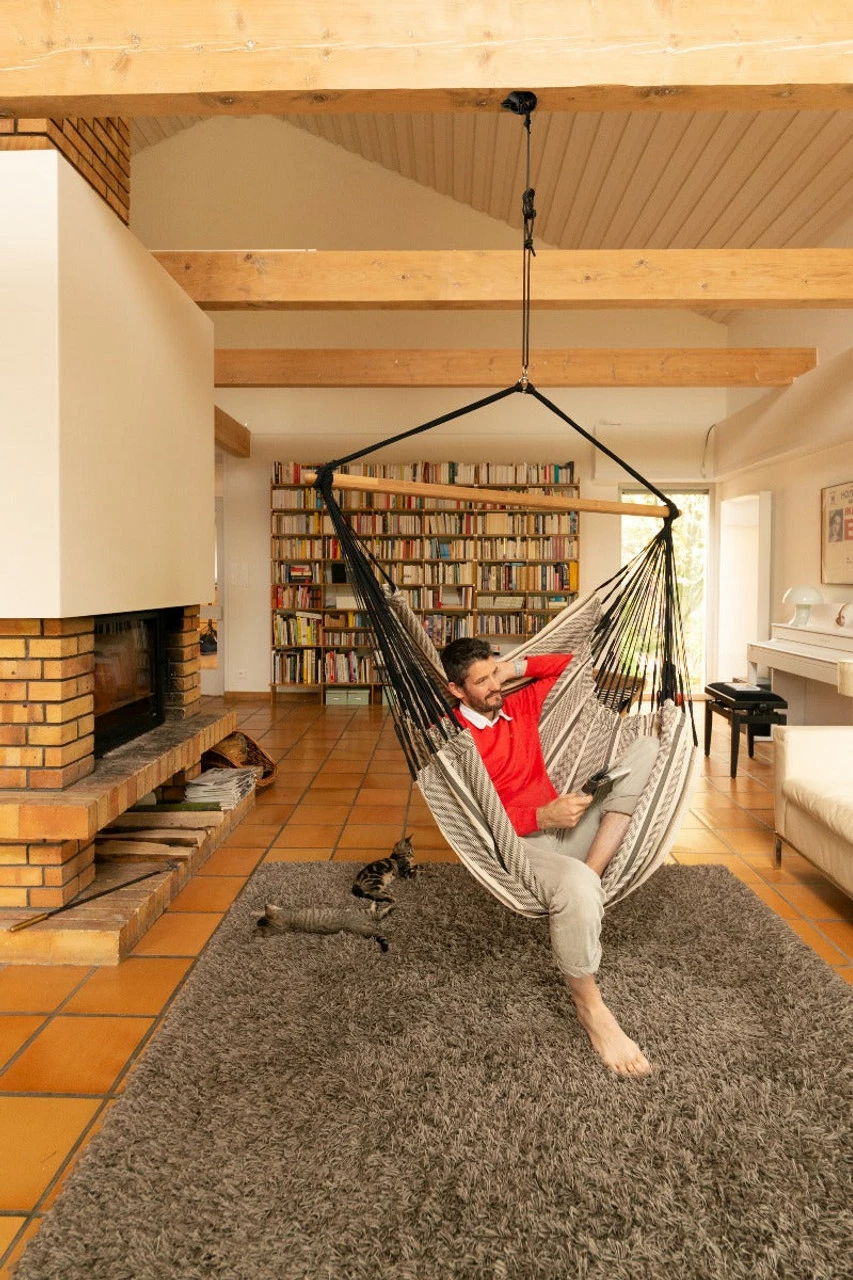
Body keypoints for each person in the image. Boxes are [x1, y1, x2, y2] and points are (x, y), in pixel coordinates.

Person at [440, 637, 660, 1077]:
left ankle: (589, 877)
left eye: (495, 673)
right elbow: (473, 818)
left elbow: (574, 666)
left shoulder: (517, 704)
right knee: (574, 886)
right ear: (456, 690)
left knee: (648, 748)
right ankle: (591, 1007)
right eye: (481, 681)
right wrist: (541, 815)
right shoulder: (452, 740)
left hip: (565, 826)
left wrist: (511, 667)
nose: (494, 686)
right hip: (518, 846)